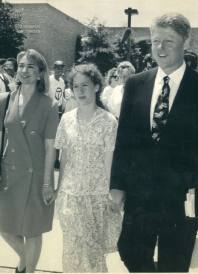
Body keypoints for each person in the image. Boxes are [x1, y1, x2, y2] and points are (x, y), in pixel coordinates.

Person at [110, 13, 198, 272]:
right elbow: (124, 141)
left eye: (169, 41)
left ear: (185, 42)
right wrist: (117, 185)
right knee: (129, 251)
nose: (160, 48)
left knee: (174, 265)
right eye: (155, 41)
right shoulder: (135, 84)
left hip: (182, 196)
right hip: (140, 193)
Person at [0, 49, 59, 273]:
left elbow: (50, 148)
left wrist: (48, 183)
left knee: (32, 230)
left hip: (37, 175)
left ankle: (27, 271)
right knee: (6, 229)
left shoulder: (49, 104)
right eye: (21, 65)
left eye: (31, 67)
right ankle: (25, 260)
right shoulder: (5, 100)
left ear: (40, 73)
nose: (24, 70)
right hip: (10, 173)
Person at [55, 63, 122, 272]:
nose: (80, 91)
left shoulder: (108, 122)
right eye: (76, 86)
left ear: (96, 86)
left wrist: (113, 193)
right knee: (72, 249)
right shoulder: (66, 120)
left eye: (85, 85)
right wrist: (59, 190)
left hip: (97, 195)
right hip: (70, 195)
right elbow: (64, 157)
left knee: (93, 252)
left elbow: (110, 159)